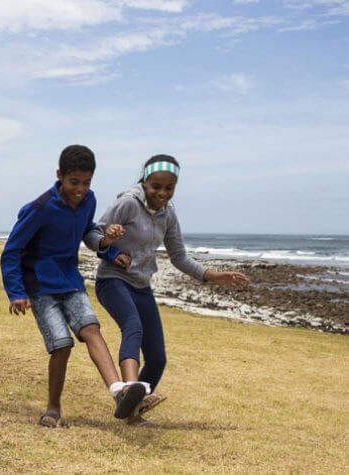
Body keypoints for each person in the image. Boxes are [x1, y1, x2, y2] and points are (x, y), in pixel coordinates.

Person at [85, 154, 250, 426]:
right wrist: (109, 245)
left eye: (168, 188)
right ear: (145, 181)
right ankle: (129, 387)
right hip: (112, 280)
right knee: (132, 325)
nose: (161, 193)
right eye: (156, 186)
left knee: (158, 358)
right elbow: (91, 235)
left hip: (141, 285)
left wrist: (214, 276)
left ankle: (132, 411)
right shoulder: (127, 203)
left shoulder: (168, 214)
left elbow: (179, 257)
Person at [0, 145, 148, 428]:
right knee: (62, 346)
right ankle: (53, 408)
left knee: (92, 329)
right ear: (60, 175)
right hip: (41, 288)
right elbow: (12, 251)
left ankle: (119, 392)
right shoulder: (39, 208)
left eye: (86, 183)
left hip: (70, 281)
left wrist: (111, 251)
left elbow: (87, 232)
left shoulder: (88, 201)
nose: (80, 189)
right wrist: (17, 292)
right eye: (74, 182)